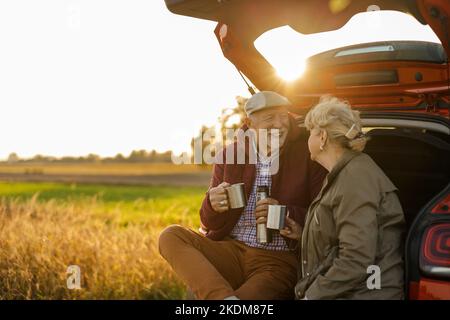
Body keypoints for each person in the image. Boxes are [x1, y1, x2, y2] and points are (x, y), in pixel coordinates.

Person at [158, 91, 327, 300]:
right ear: (250, 122)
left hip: (277, 260)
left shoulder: (308, 153)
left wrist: (286, 213)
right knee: (171, 235)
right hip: (231, 250)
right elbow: (207, 221)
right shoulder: (230, 155)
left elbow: (323, 212)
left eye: (284, 116)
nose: (280, 124)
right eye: (269, 118)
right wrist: (212, 204)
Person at [280, 95, 406, 299]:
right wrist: (303, 234)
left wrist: (311, 296)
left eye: (310, 132)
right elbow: (339, 240)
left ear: (322, 138)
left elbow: (356, 258)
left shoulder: (356, 177)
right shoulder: (342, 174)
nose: (307, 138)